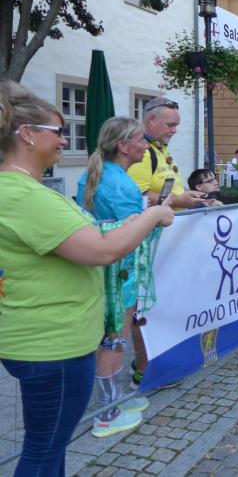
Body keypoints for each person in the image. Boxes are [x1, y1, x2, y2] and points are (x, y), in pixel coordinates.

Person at [0, 81, 174, 475]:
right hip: (52, 343)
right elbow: (101, 250)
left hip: (48, 338)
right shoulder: (25, 195)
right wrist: (152, 215)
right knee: (44, 452)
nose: (65, 140)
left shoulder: (24, 188)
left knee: (49, 447)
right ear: (27, 134)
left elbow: (84, 236)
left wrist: (124, 224)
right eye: (58, 131)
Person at [77, 117, 153, 438]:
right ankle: (107, 413)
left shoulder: (94, 174)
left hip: (103, 271)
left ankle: (115, 399)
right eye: (141, 139)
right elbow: (129, 234)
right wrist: (155, 218)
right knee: (113, 341)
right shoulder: (121, 184)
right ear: (123, 146)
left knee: (111, 339)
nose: (146, 145)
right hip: (119, 274)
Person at [127, 96, 206, 388]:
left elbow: (166, 191)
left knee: (159, 303)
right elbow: (136, 196)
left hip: (167, 241)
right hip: (148, 242)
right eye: (170, 125)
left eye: (177, 125)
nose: (175, 130)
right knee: (144, 306)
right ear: (151, 120)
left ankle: (153, 359)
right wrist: (181, 199)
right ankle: (143, 370)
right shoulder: (143, 153)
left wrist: (187, 197)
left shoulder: (160, 151)